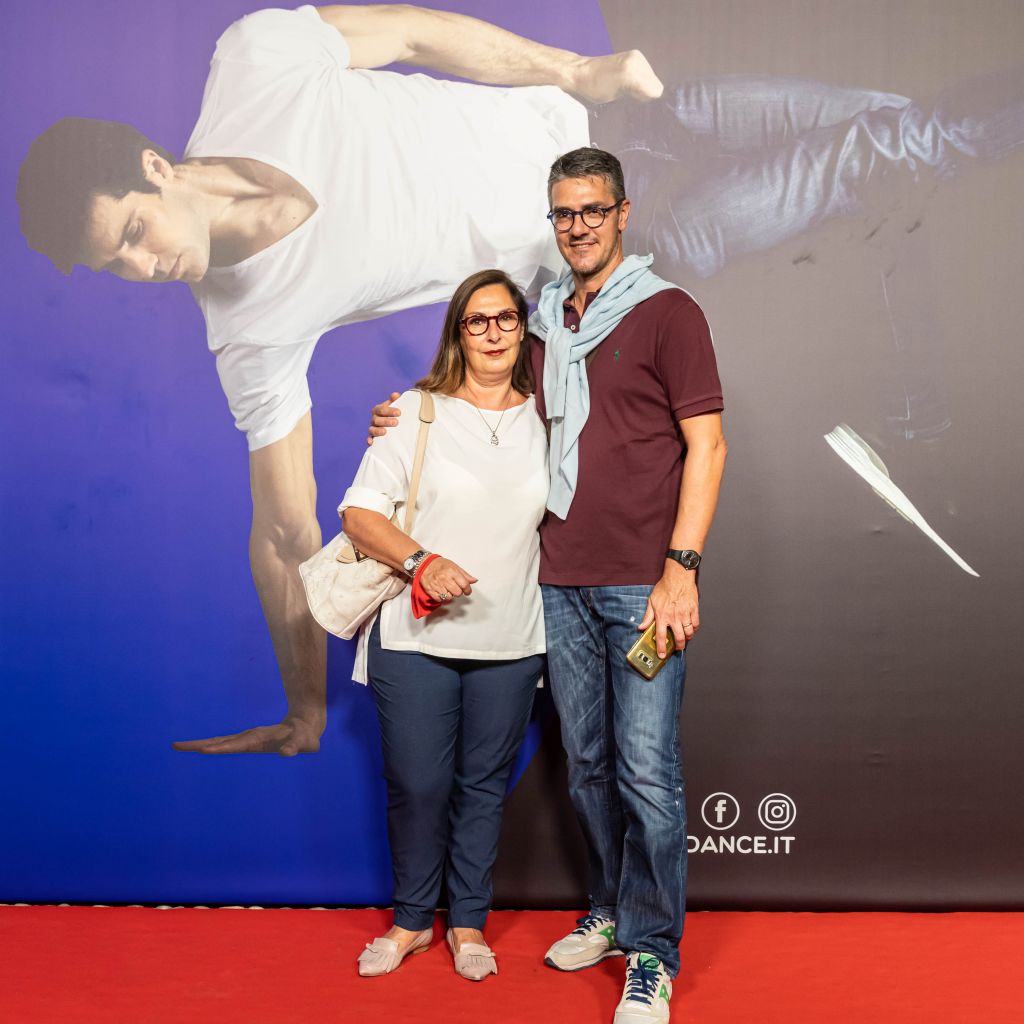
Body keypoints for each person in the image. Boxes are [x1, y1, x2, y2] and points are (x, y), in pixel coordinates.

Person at [17, 3, 1021, 755]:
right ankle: (923, 416)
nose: (144, 267)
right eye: (116, 267)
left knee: (900, 133)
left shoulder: (254, 63)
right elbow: (282, 534)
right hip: (611, 234)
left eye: (133, 233)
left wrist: (575, 67)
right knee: (903, 143)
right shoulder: (246, 325)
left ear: (154, 168)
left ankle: (921, 414)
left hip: (609, 124)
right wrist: (305, 707)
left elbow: (415, 32)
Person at [370, 147, 727, 1023]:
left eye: (593, 210)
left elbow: (708, 446)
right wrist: (402, 411)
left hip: (644, 586)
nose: (578, 226)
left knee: (647, 772)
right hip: (557, 585)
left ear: (623, 213)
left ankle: (652, 952)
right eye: (564, 213)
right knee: (589, 767)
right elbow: (476, 393)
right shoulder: (547, 335)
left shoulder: (669, 313)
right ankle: (609, 909)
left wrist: (681, 570)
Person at [341, 268, 547, 981]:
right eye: (476, 320)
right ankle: (410, 923)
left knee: (484, 787)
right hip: (414, 638)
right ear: (458, 332)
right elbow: (359, 515)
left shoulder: (552, 421)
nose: (493, 333)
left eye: (505, 318)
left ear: (523, 328)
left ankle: (466, 924)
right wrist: (421, 561)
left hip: (512, 637)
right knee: (419, 784)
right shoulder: (414, 413)